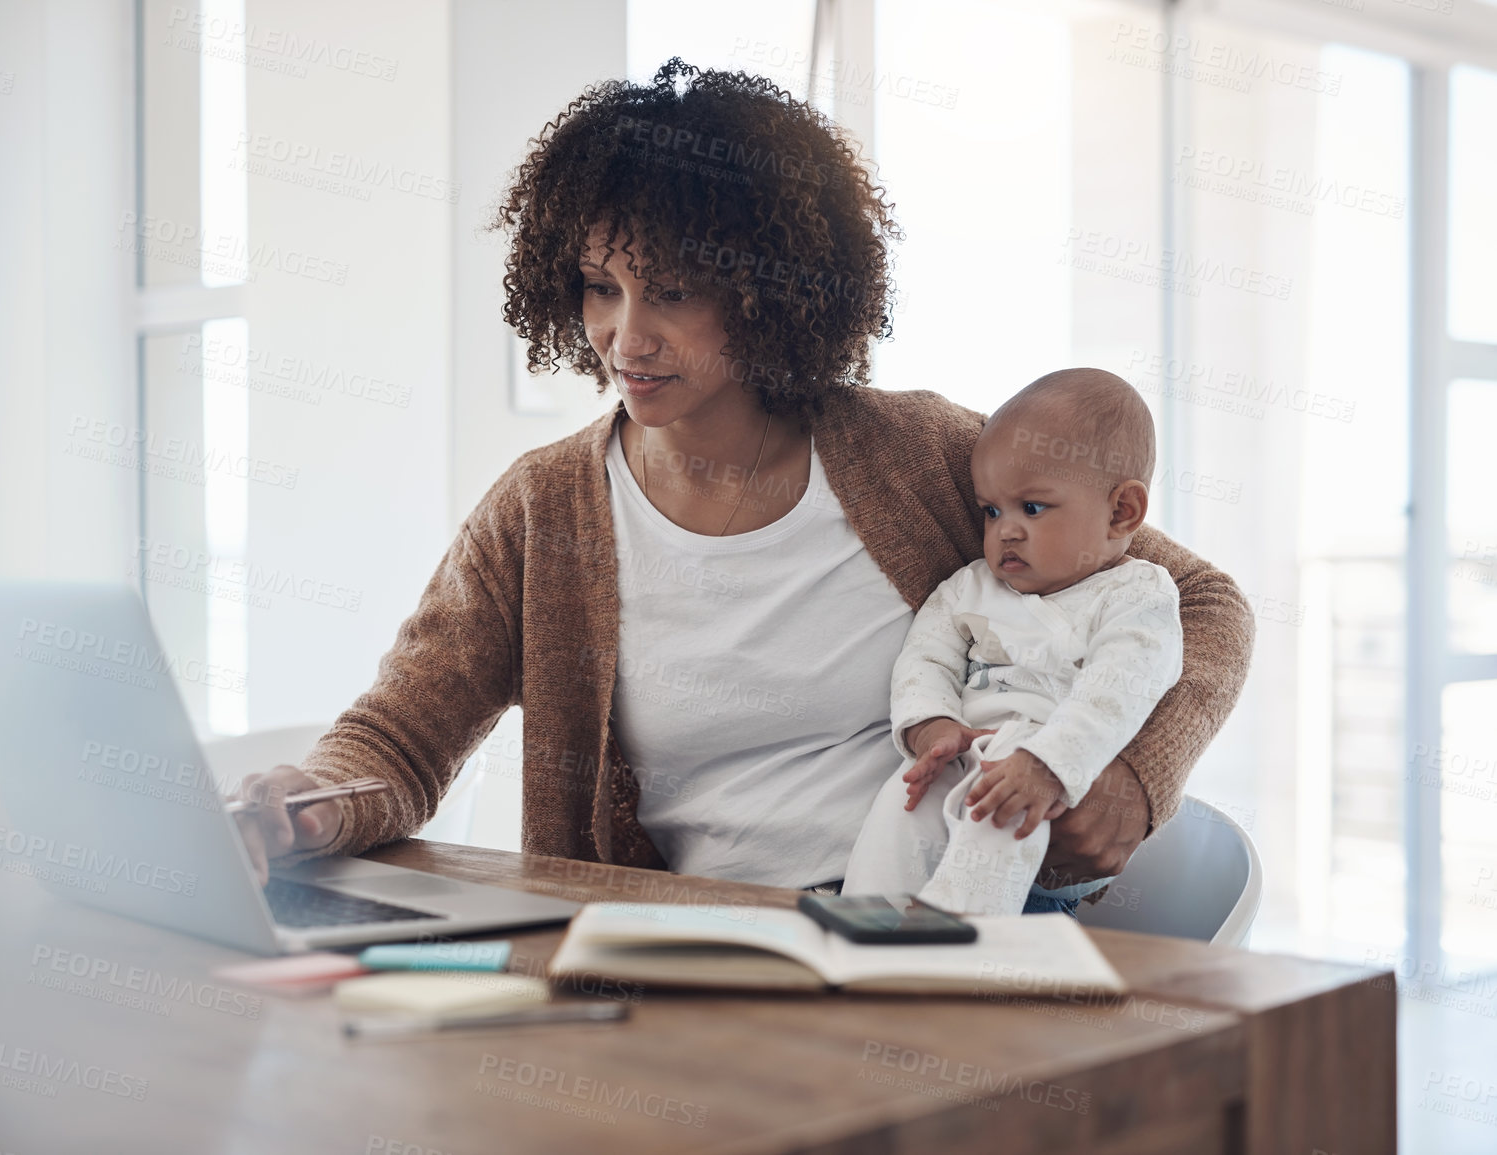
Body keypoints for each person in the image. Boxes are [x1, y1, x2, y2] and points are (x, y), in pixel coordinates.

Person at [231, 60, 1254, 913]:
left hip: (915, 931)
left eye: (672, 292)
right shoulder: (543, 509)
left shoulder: (923, 457)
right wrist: (312, 798)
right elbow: (405, 734)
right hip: (683, 957)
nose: (626, 339)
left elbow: (1201, 603)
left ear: (772, 290)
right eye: (601, 286)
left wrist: (1135, 775)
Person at [841, 368, 1183, 915]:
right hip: (968, 755)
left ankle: (962, 927)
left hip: (1057, 790)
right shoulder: (970, 587)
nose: (1006, 530)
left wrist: (1048, 763)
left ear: (1121, 512)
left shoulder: (1138, 594)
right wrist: (932, 725)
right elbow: (925, 658)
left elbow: (1120, 691)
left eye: (1033, 508)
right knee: (905, 797)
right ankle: (864, 924)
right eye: (992, 510)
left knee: (1002, 788)